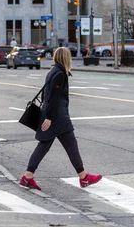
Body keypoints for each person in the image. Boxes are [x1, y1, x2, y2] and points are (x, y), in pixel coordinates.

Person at [20, 47, 102, 191]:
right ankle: (83, 177)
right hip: (58, 117)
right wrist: (50, 117)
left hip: (53, 115)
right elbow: (54, 98)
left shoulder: (53, 71)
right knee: (70, 146)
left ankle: (28, 176)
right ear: (66, 58)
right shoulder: (59, 73)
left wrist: (47, 114)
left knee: (45, 145)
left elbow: (47, 95)